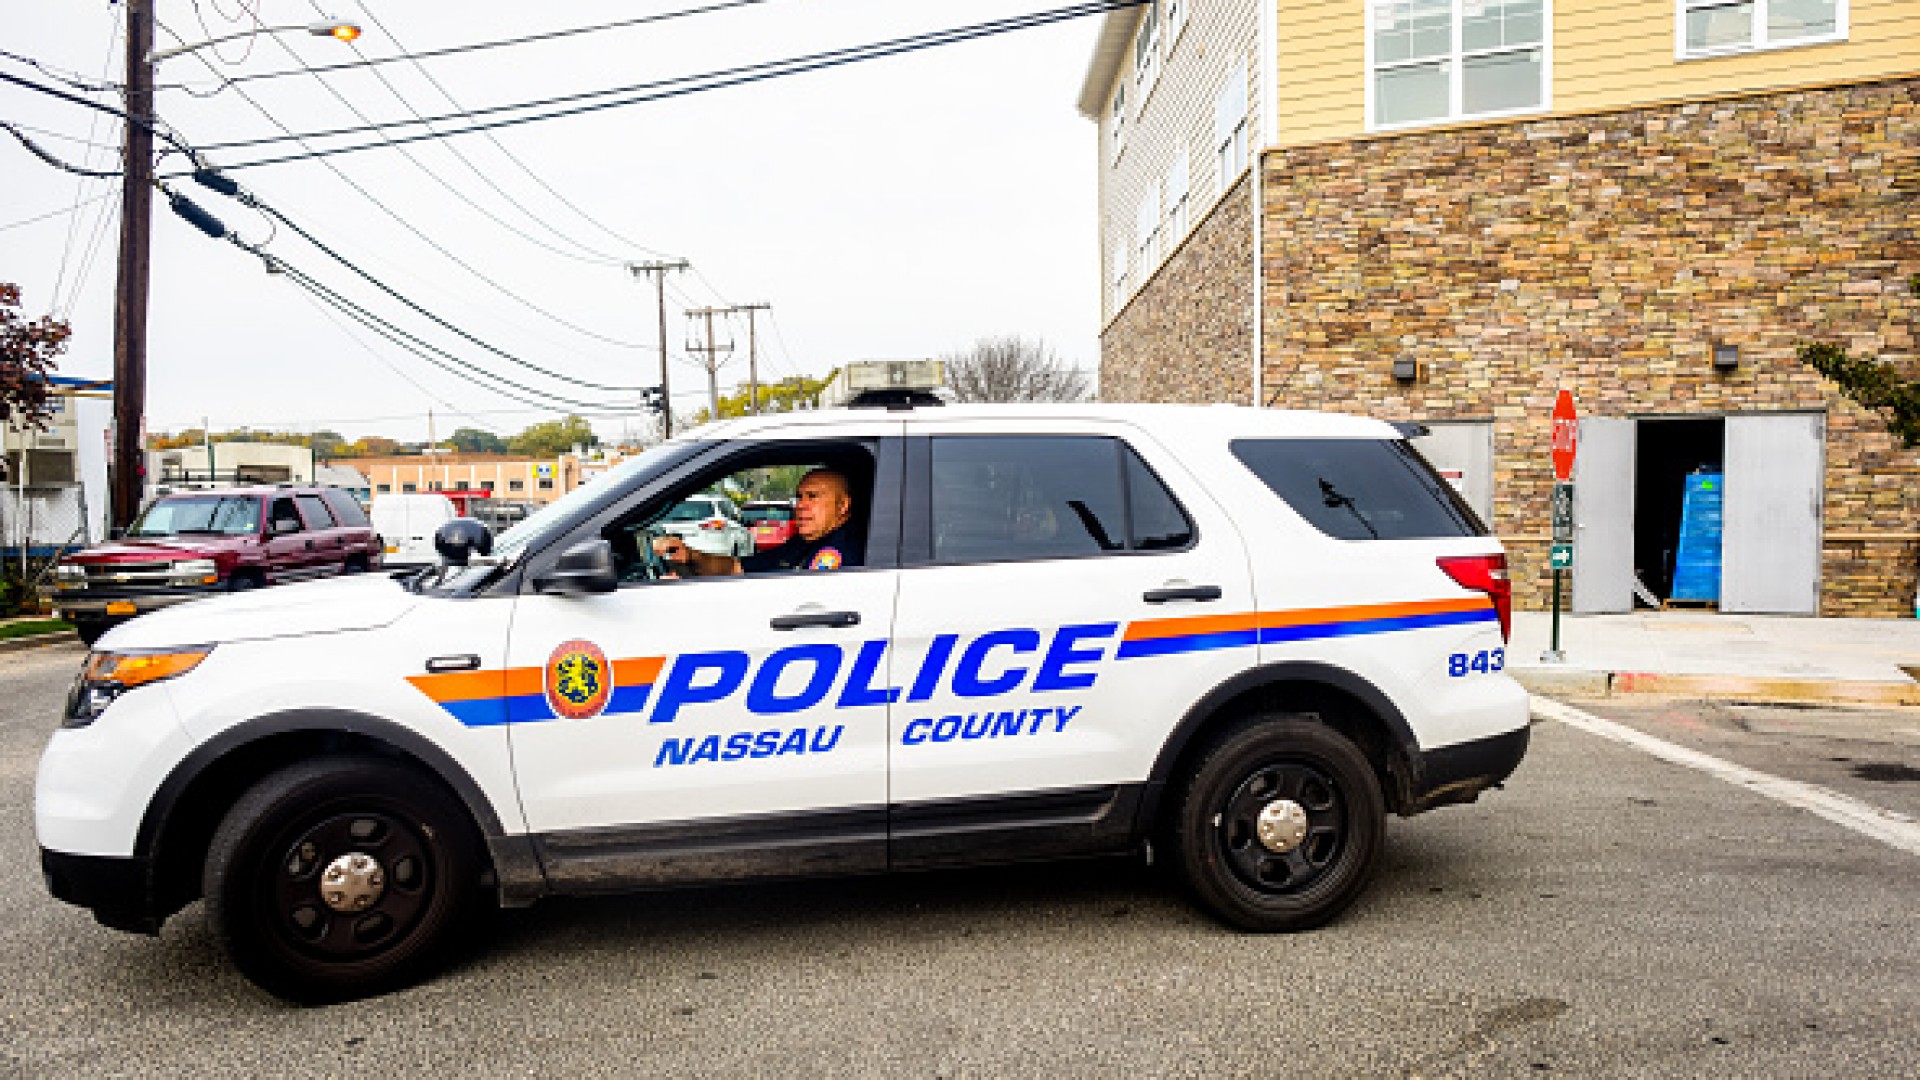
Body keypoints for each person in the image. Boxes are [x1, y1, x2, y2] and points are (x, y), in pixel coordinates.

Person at [650, 467, 862, 578]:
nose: (800, 505)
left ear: (843, 506)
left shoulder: (845, 550)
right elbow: (735, 568)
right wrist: (690, 555)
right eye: (800, 497)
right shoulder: (801, 545)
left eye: (813, 496)